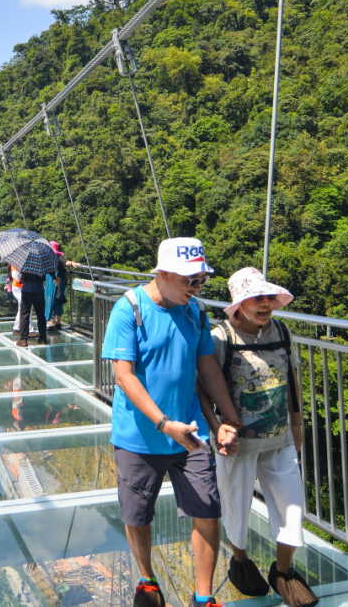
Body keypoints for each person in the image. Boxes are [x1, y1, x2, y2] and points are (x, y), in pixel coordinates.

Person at [100, 237, 241, 607]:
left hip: (190, 433)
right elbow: (124, 376)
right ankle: (147, 580)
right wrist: (164, 424)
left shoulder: (195, 311)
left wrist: (228, 420)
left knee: (207, 509)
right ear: (162, 273)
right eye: (189, 280)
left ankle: (203, 595)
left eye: (201, 280)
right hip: (140, 435)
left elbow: (207, 367)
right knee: (137, 512)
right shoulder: (128, 309)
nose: (195, 288)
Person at [199, 268, 317, 607]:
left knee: (292, 504)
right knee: (235, 502)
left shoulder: (281, 331)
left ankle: (283, 572)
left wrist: (297, 423)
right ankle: (240, 561)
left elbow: (292, 375)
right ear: (239, 304)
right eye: (256, 298)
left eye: (268, 297)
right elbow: (204, 385)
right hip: (237, 443)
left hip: (279, 437)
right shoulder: (221, 337)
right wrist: (216, 428)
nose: (265, 304)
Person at [15, 267, 48, 348]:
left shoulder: (25, 259)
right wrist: (54, 277)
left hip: (27, 289)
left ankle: (23, 340)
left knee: (24, 314)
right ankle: (43, 337)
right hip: (39, 289)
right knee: (41, 315)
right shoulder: (42, 259)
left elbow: (18, 275)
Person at [47, 240, 69, 332]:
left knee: (55, 300)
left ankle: (55, 324)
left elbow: (65, 262)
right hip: (55, 281)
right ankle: (56, 324)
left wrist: (72, 263)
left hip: (57, 282)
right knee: (54, 300)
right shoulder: (52, 258)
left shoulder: (58, 258)